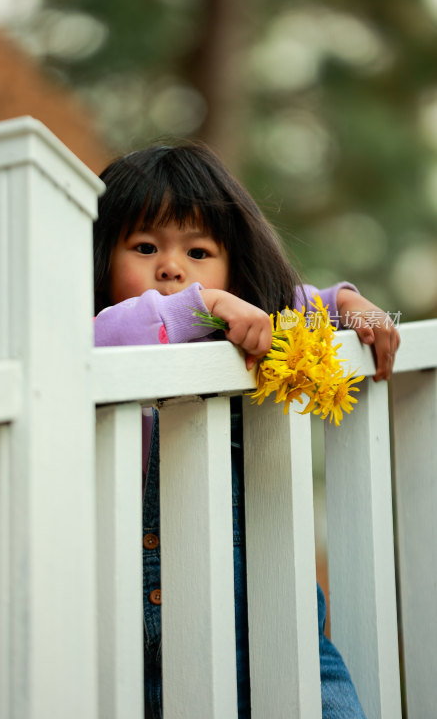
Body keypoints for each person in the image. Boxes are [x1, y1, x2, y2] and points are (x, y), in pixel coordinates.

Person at [92, 143, 400, 718]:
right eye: (144, 246)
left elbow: (297, 305)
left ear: (236, 265)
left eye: (199, 251)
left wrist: (347, 303)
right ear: (101, 257)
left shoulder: (245, 333)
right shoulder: (103, 340)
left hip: (275, 610)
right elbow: (103, 338)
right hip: (153, 640)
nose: (172, 267)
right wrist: (200, 303)